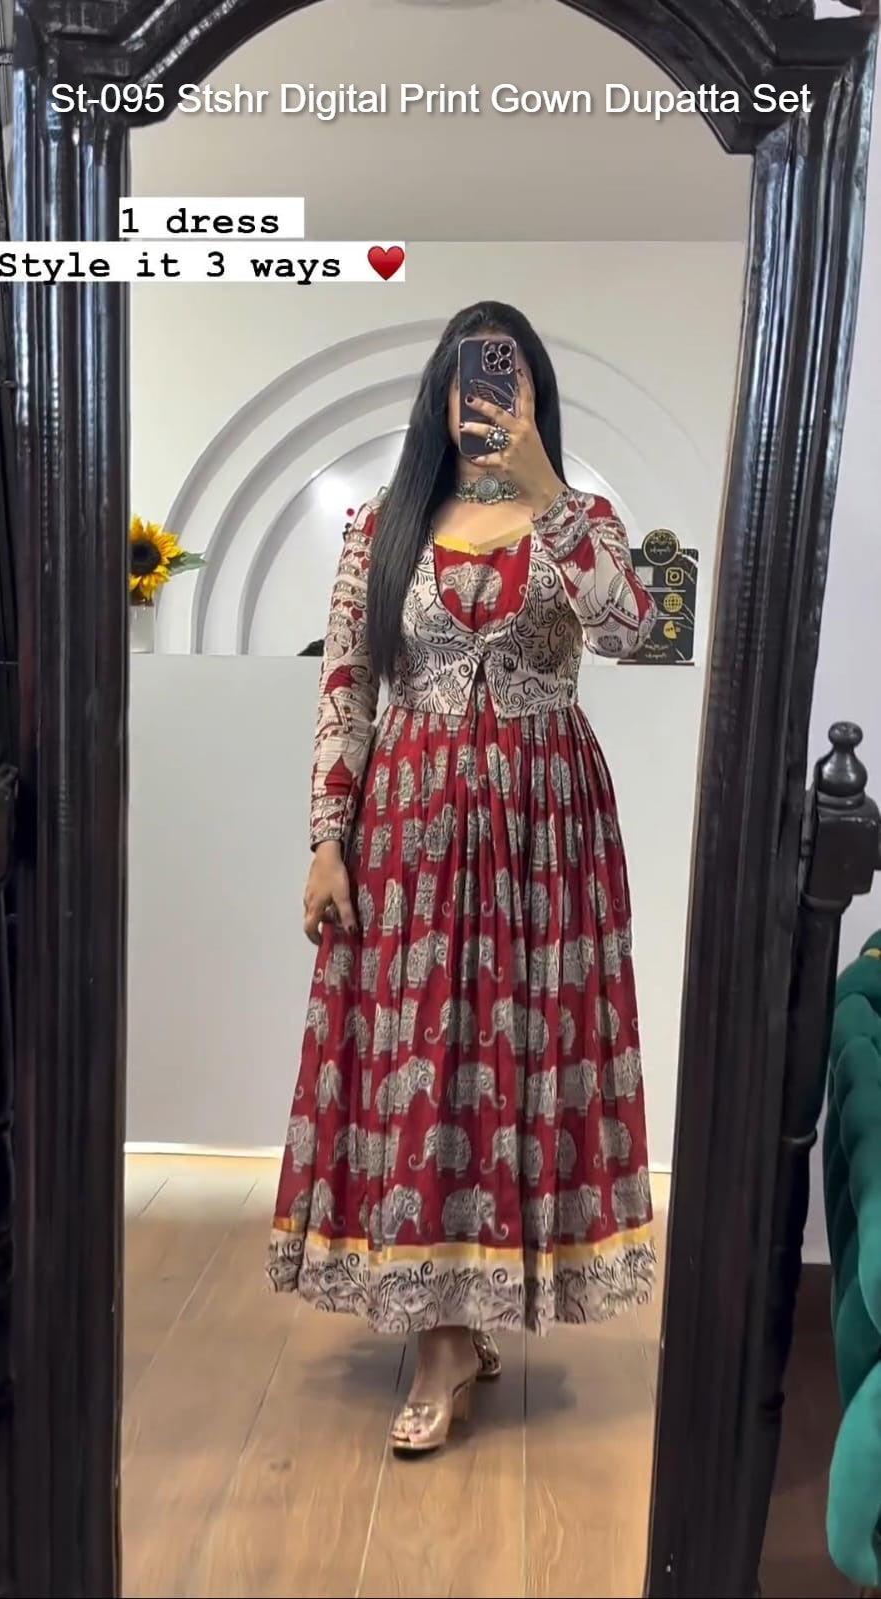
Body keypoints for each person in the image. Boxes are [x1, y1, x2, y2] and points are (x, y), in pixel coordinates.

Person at [267, 301, 658, 1455]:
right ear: (438, 397)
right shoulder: (379, 526)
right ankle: (441, 1334)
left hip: (546, 836)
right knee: (424, 1056)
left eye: (508, 379)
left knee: (510, 1058)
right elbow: (346, 685)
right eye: (470, 380)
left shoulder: (579, 520)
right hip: (409, 832)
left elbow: (629, 631)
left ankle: (468, 1315)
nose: (486, 400)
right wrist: (325, 839)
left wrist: (544, 489)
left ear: (534, 397)